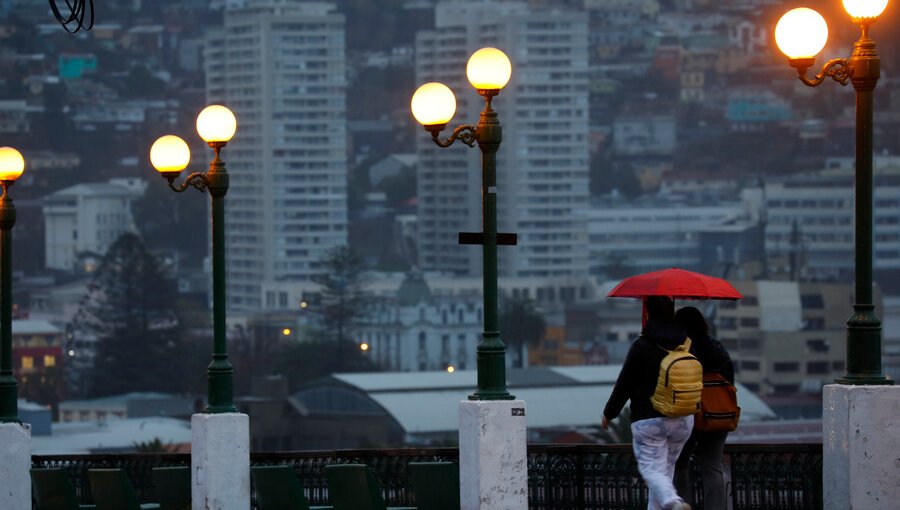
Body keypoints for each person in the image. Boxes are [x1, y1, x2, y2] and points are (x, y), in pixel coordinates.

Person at [603, 296, 693, 510]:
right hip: (682, 418)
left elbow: (624, 384)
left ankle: (673, 502)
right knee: (664, 474)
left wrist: (609, 413)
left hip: (648, 419)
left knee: (652, 470)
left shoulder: (642, 345)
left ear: (648, 313)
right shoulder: (686, 343)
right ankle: (667, 502)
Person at [673, 306, 735, 510]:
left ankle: (683, 505)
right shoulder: (717, 347)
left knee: (679, 464)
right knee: (712, 467)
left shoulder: (681, 351)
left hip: (690, 413)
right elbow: (729, 381)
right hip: (718, 415)